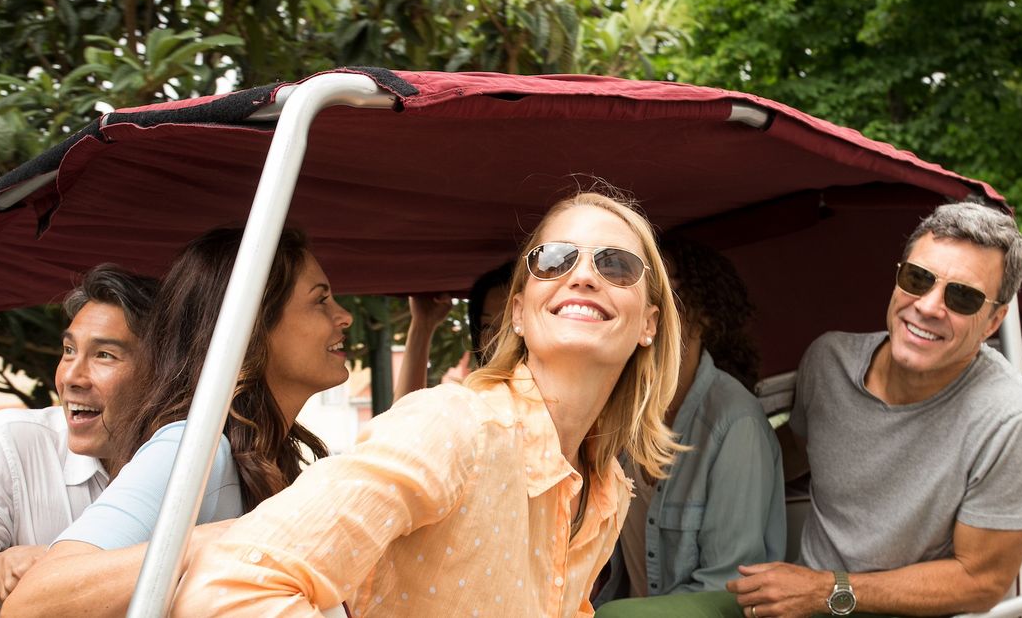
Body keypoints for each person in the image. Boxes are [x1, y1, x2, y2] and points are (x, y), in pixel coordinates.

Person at [172, 190, 683, 616]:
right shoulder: (454, 427)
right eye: (554, 259)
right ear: (519, 312)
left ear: (649, 324)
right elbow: (232, 585)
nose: (585, 275)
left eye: (616, 264)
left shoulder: (605, 489)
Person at [728, 201, 1022, 617]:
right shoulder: (828, 361)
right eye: (918, 279)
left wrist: (827, 591)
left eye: (963, 297)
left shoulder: (1014, 419)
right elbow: (793, 451)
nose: (928, 306)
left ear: (993, 321)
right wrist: (688, 463)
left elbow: (979, 581)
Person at [5, 228, 353, 617]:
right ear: (253, 324)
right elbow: (33, 603)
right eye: (320, 301)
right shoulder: (191, 449)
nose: (344, 316)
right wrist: (213, 541)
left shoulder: (266, 457)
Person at [595, 236, 784, 610]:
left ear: (707, 312)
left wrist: (618, 615)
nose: (655, 305)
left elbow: (728, 584)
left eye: (672, 293)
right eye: (646, 290)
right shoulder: (620, 411)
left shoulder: (736, 423)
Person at [0, 266, 157, 617]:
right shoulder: (9, 444)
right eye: (69, 350)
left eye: (104, 355)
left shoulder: (201, 464)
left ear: (163, 373)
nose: (70, 376)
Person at [393, 261, 514, 399]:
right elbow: (405, 416)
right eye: (486, 326)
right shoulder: (472, 402)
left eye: (509, 324)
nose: (496, 337)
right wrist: (422, 325)